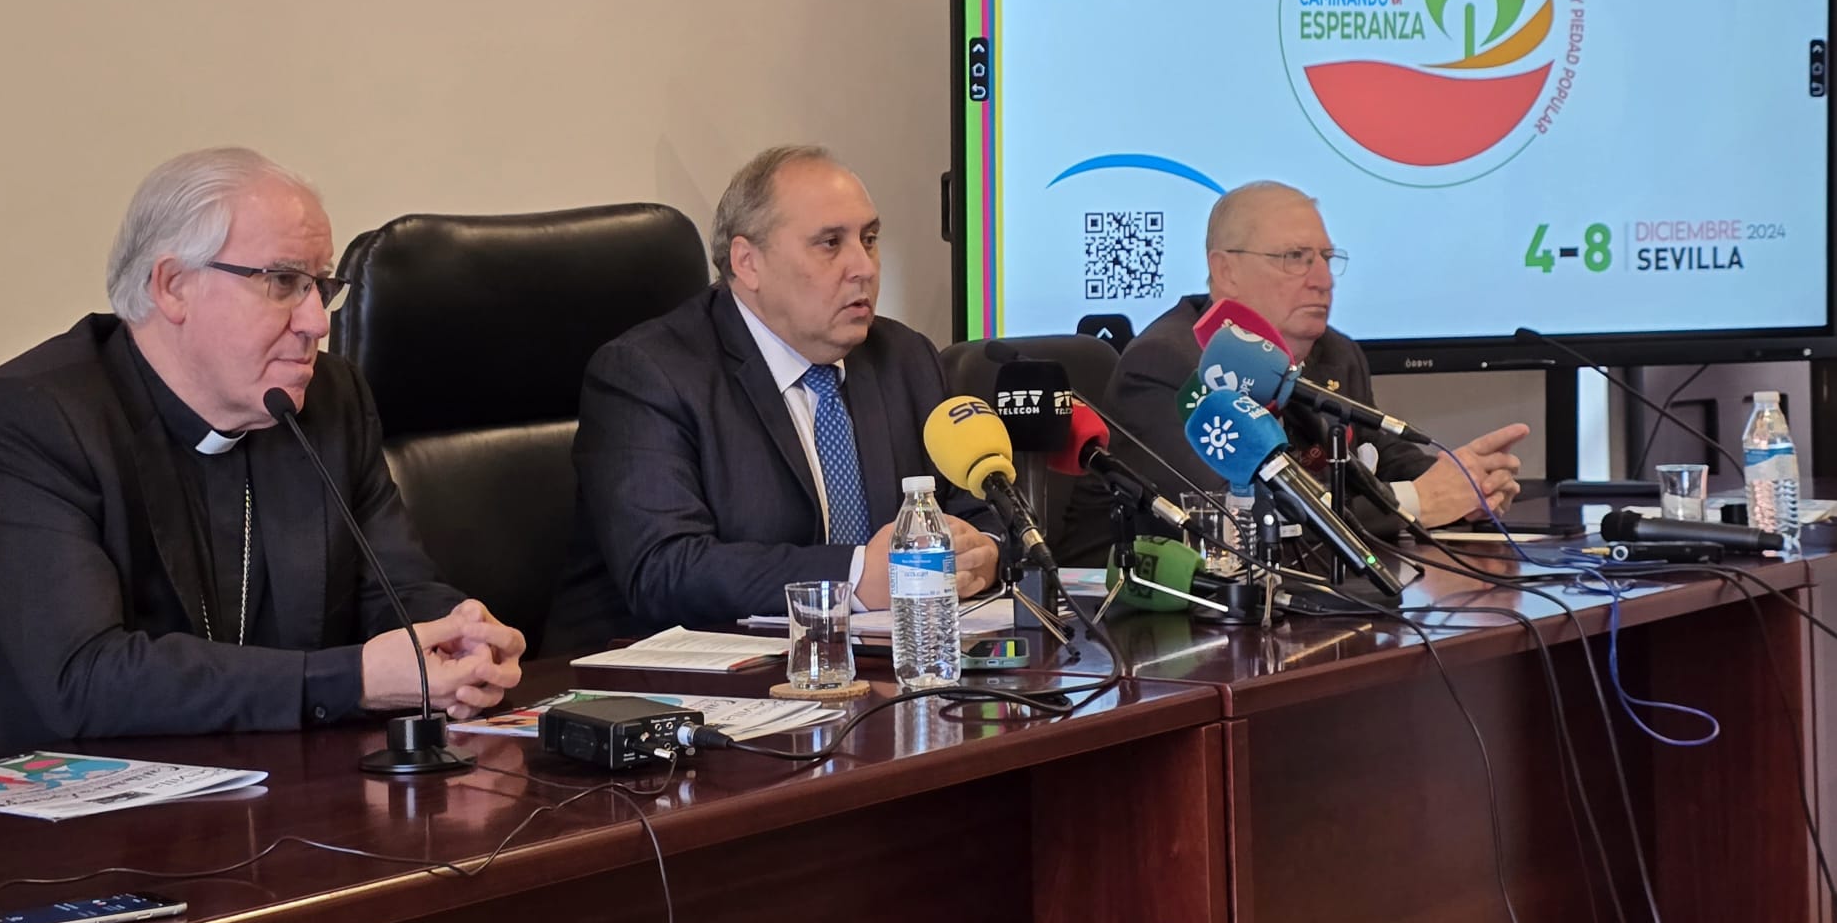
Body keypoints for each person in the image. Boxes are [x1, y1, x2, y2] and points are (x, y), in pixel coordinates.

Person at [0, 148, 524, 765]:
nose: (317, 322)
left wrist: (459, 639)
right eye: (284, 283)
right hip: (37, 820)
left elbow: (395, 593)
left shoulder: (330, 400)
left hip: (266, 790)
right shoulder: (34, 418)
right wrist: (354, 679)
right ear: (173, 286)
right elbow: (83, 678)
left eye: (321, 286)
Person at [570, 145, 1000, 632]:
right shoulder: (648, 373)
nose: (865, 267)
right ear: (748, 263)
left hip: (868, 670)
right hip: (664, 683)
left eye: (870, 238)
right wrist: (854, 578)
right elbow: (666, 569)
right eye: (830, 243)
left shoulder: (904, 358)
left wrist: (984, 550)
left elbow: (979, 509)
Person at [1062, 180, 1526, 564]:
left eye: (1326, 258)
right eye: (1295, 258)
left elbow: (1383, 457)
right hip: (1129, 625)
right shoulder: (1169, 363)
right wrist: (1419, 502)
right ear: (1226, 271)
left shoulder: (1335, 354)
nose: (1323, 279)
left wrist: (1468, 487)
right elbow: (1245, 522)